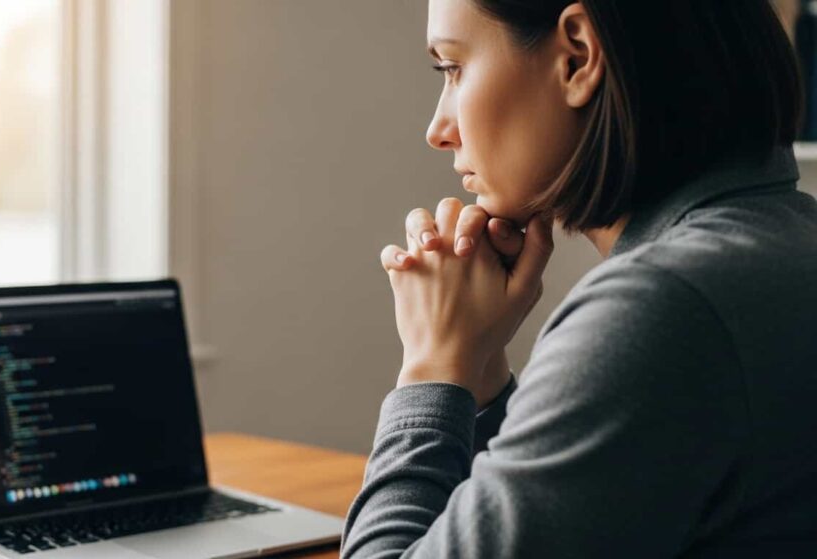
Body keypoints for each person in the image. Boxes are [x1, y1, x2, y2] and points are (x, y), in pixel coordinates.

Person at [342, 0, 817, 557]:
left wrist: (432, 369)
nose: (438, 130)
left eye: (452, 68)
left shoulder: (664, 309)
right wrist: (481, 379)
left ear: (578, 56)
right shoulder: (782, 249)